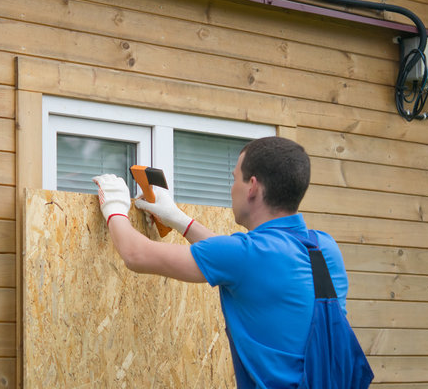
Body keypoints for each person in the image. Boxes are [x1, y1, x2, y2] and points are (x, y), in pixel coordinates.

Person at [92, 136, 373, 388]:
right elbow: (245, 261)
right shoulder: (324, 247)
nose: (232, 188)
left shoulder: (248, 256)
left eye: (234, 178)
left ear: (252, 187)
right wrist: (179, 219)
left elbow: (135, 254)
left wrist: (115, 206)